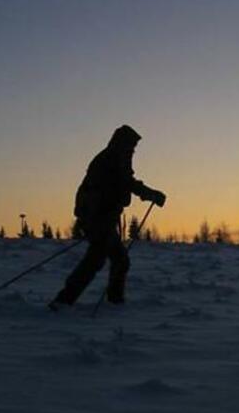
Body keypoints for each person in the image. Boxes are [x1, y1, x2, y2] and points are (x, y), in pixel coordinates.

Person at [49, 125, 166, 309]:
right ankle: (64, 301)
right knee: (96, 261)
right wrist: (150, 194)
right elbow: (116, 185)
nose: (133, 150)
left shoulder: (116, 158)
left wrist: (149, 194)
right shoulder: (110, 160)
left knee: (118, 260)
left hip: (102, 219)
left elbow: (125, 182)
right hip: (98, 219)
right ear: (122, 142)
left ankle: (113, 301)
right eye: (132, 145)